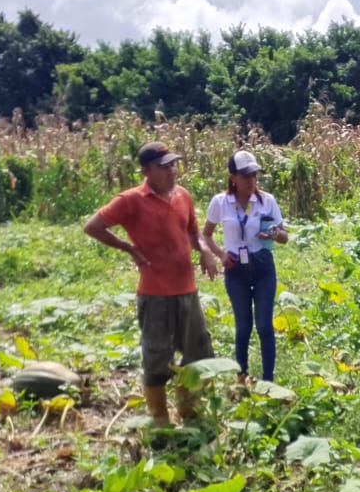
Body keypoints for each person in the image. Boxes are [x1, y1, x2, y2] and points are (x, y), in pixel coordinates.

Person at [83, 141, 220, 426]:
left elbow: (193, 230)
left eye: (173, 165)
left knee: (196, 353)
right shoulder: (130, 200)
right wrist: (129, 248)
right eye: (164, 167)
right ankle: (160, 419)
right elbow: (93, 226)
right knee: (157, 358)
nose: (172, 171)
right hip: (155, 294)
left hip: (187, 291)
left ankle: (189, 410)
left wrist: (205, 251)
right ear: (146, 171)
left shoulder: (183, 195)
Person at [202, 150, 288, 382]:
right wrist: (220, 255)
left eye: (254, 175)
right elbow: (206, 235)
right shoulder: (220, 202)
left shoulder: (266, 201)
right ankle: (241, 377)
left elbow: (284, 237)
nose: (251, 181)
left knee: (264, 326)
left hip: (262, 266)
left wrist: (273, 233)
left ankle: (268, 381)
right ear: (233, 178)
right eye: (245, 176)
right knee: (243, 327)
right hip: (235, 268)